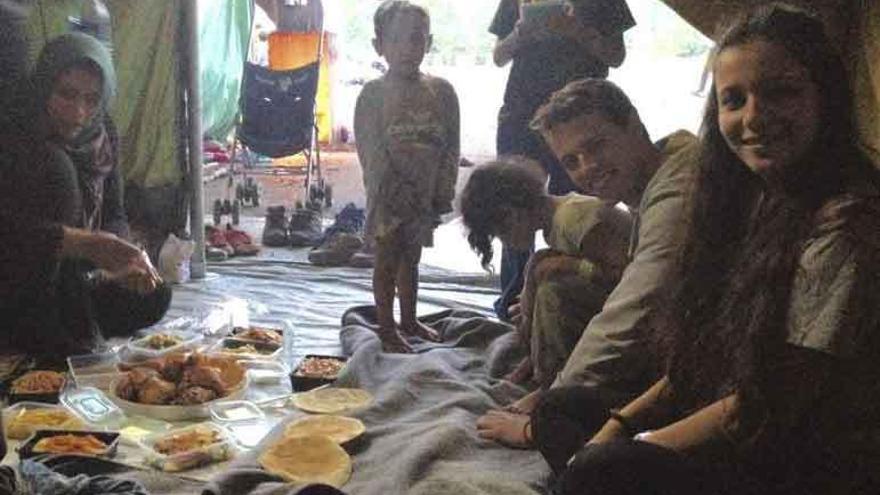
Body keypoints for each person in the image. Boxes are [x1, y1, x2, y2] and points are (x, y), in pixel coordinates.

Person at [532, 5, 880, 494]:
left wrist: (635, 447)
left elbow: (766, 405)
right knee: (562, 411)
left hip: (800, 452)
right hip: (736, 407)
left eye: (782, 92)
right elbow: (704, 355)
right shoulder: (753, 197)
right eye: (734, 99)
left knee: (598, 471)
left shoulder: (845, 223)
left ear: (826, 97)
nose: (755, 117)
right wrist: (618, 425)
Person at [476, 78, 698, 446]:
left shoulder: (677, 190)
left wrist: (550, 411)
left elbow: (633, 309)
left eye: (596, 146)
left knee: (557, 293)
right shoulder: (655, 179)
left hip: (712, 370)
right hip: (684, 342)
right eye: (571, 161)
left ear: (634, 125)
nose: (587, 167)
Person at [0, 33, 169, 359]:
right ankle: (43, 327)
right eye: (66, 94)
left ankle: (69, 321)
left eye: (92, 99)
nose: (78, 112)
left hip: (78, 277)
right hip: (22, 283)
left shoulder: (102, 133)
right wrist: (85, 244)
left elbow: (114, 212)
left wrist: (125, 258)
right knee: (59, 170)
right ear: (44, 87)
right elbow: (10, 235)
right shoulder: (14, 134)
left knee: (154, 294)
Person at [488, 0, 636, 322]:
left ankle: (577, 303)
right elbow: (499, 55)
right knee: (513, 209)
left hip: (582, 122)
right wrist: (520, 33)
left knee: (582, 213)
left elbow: (616, 55)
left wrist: (577, 30)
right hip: (521, 115)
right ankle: (515, 307)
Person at [460, 158, 631, 386]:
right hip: (614, 300)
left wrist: (572, 267)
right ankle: (537, 359)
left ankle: (549, 381)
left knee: (552, 291)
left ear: (512, 213)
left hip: (642, 312)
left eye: (501, 233)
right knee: (539, 270)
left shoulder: (572, 218)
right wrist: (529, 308)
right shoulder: (555, 224)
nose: (506, 242)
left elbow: (633, 276)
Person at [354, 1, 460, 353]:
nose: (406, 48)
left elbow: (450, 148)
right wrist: (393, 191)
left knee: (411, 259)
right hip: (388, 198)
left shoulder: (442, 93)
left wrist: (441, 192)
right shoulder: (373, 95)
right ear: (378, 45)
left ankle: (410, 320)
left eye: (416, 39)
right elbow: (371, 153)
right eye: (395, 39)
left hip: (424, 196)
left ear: (428, 43)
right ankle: (386, 328)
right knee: (386, 261)